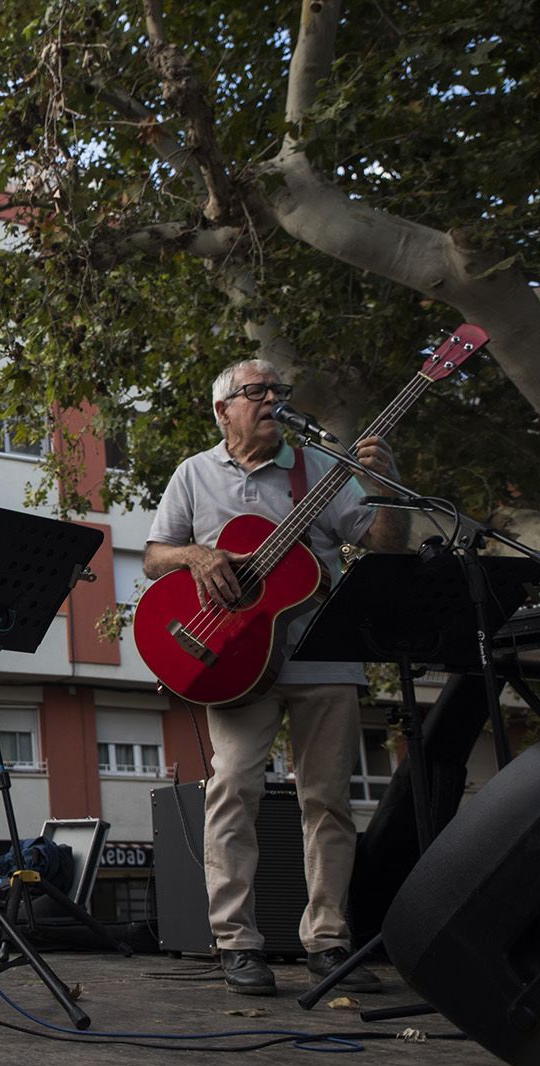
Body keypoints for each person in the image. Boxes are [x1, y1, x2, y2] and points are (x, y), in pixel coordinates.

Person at [143, 358, 407, 997]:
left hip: (324, 652)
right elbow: (154, 557)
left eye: (277, 390)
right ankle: (236, 943)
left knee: (329, 802)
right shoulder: (194, 473)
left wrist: (389, 482)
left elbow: (387, 543)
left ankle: (329, 941)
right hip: (230, 658)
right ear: (221, 410)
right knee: (232, 789)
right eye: (253, 391)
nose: (270, 398)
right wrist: (199, 554)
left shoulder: (318, 468)